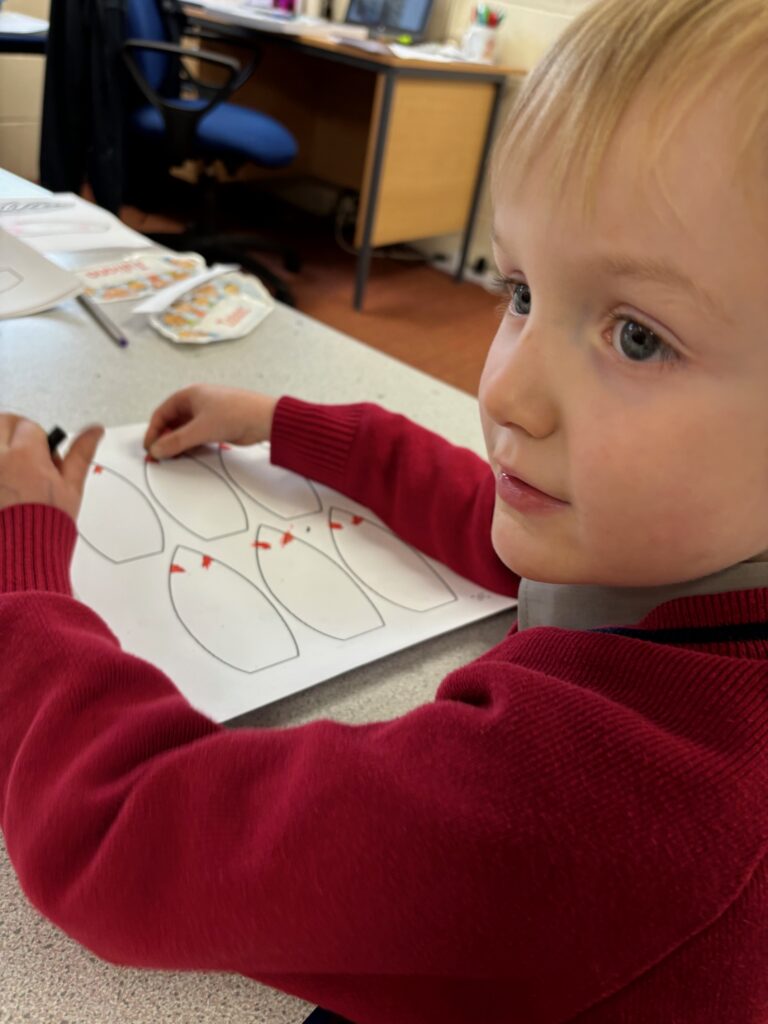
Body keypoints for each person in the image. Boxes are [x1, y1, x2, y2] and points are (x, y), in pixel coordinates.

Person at [1, 0, 767, 1020]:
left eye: (636, 337)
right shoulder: (680, 558)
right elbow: (502, 529)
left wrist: (21, 567)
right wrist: (292, 421)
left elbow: (119, 838)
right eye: (523, 291)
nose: (503, 390)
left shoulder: (593, 807)